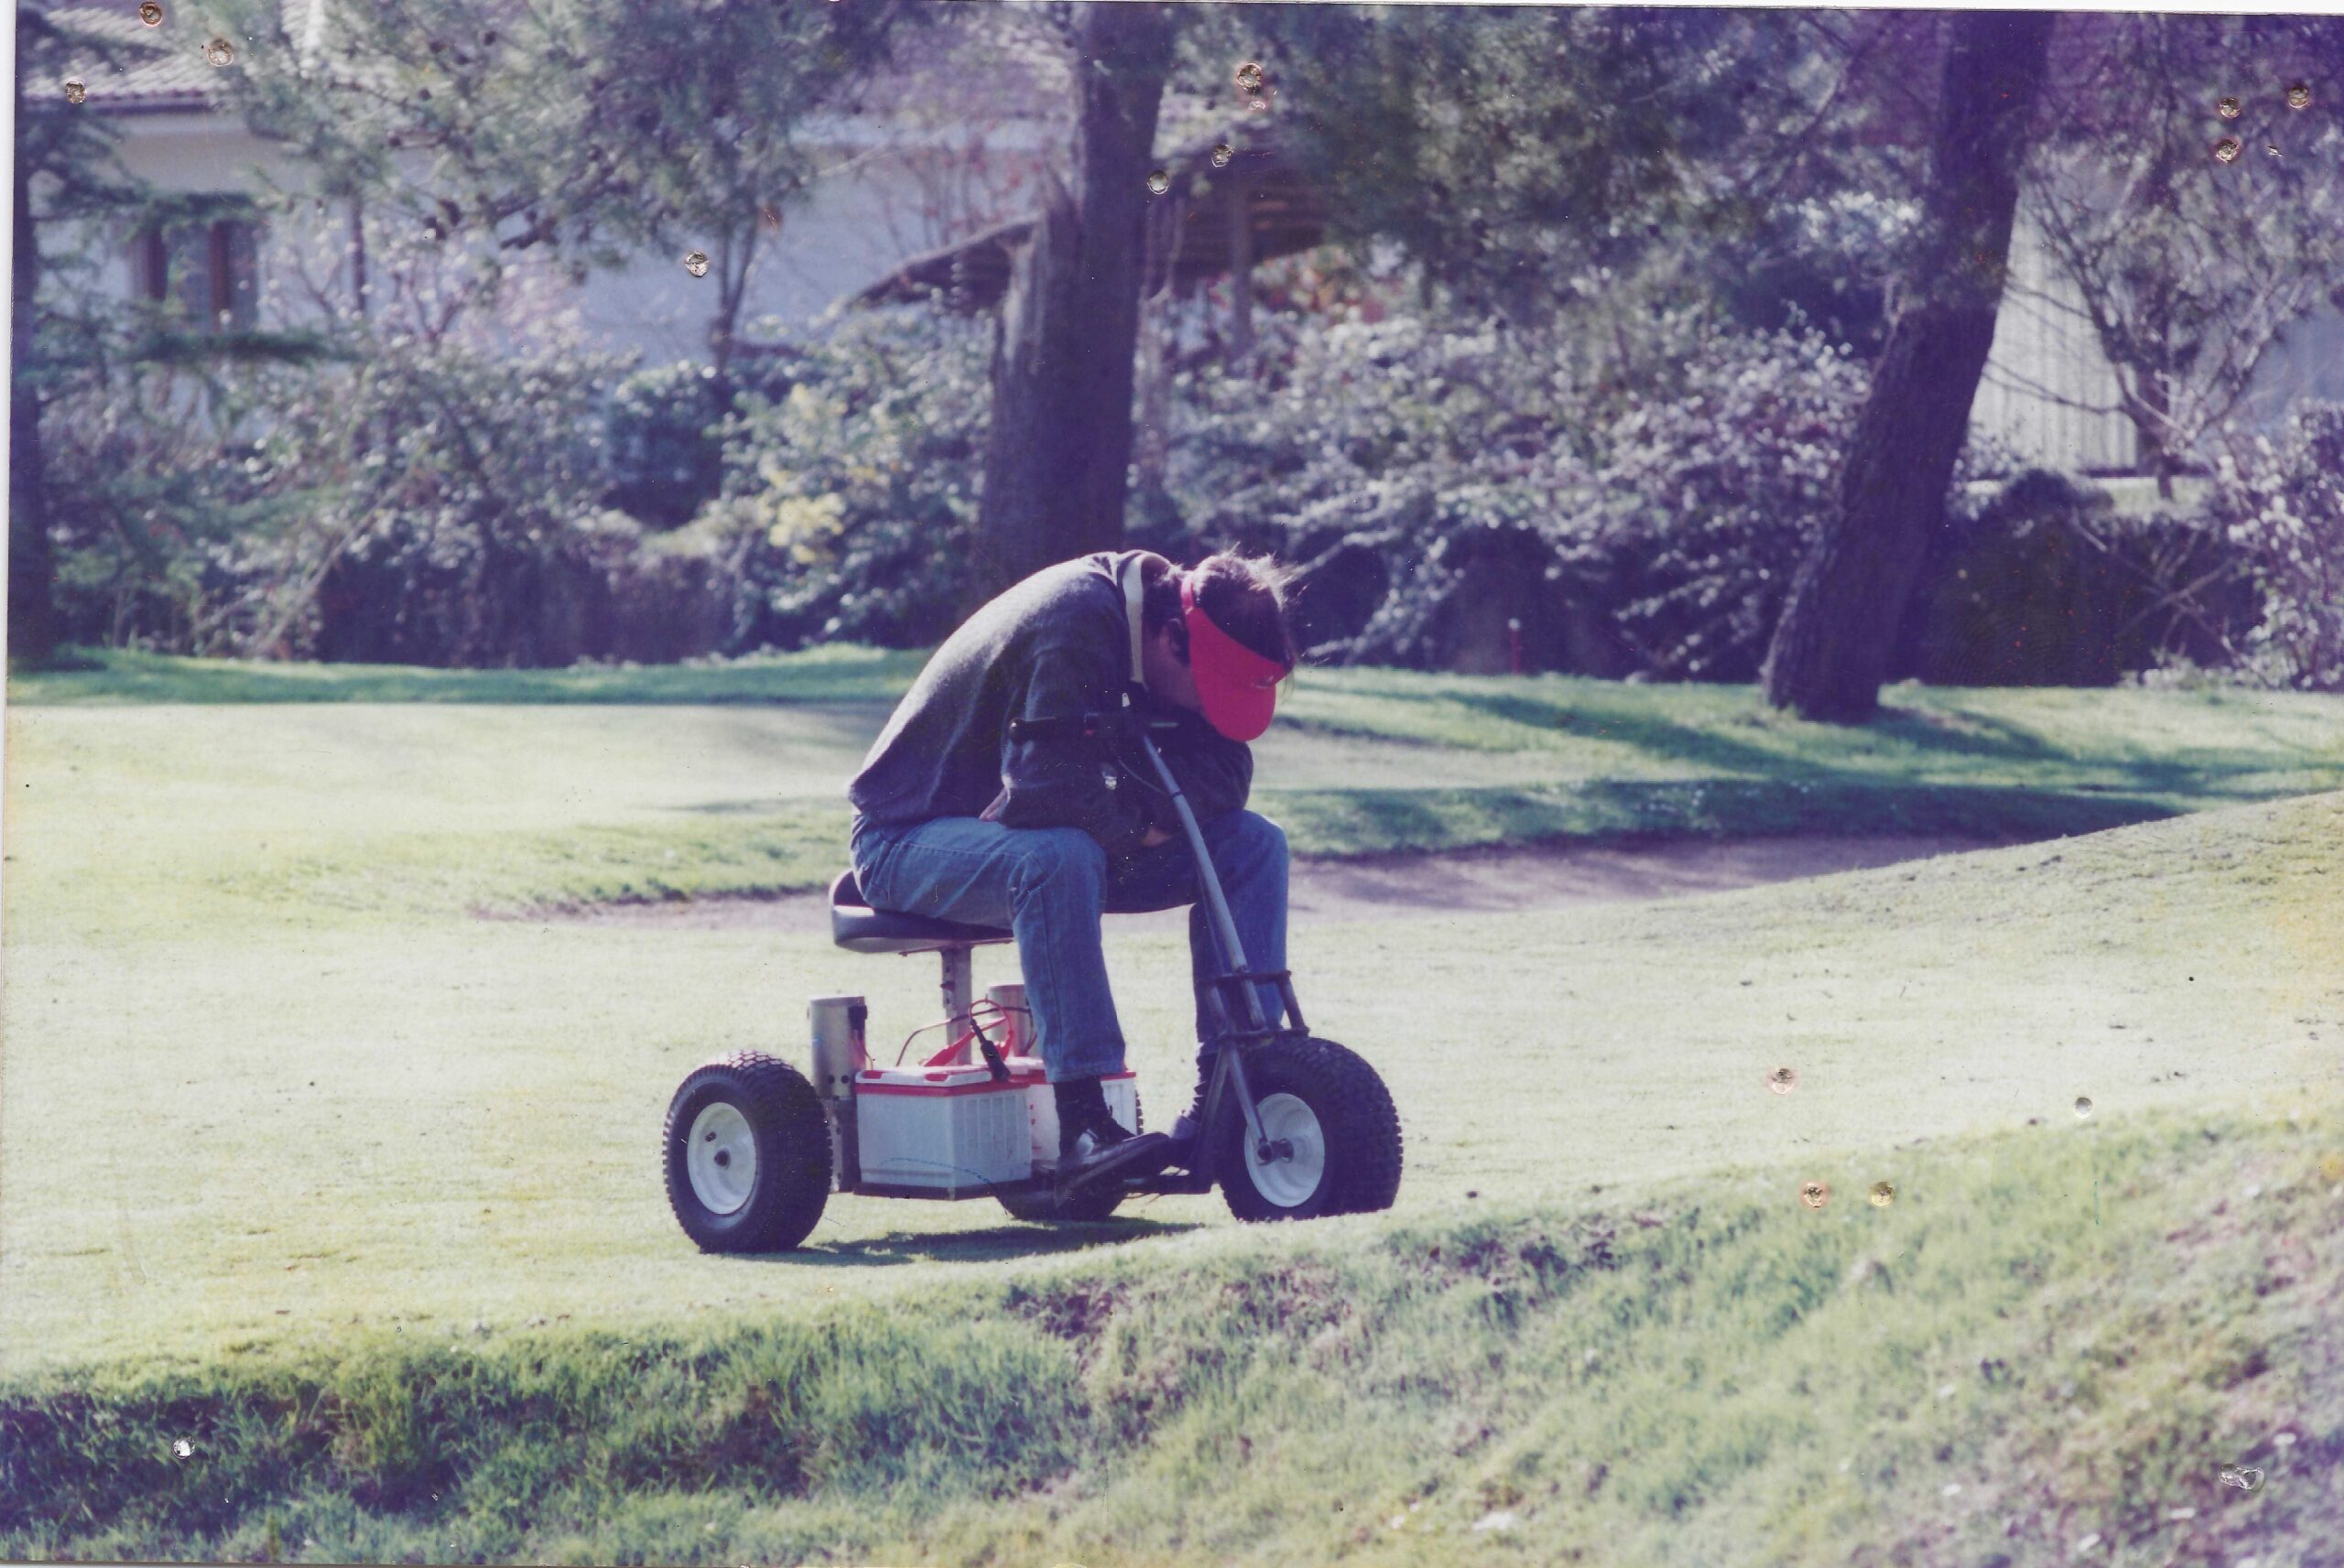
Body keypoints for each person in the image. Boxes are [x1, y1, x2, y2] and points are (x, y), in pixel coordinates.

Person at [846, 549, 1298, 1190]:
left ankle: (1236, 1089)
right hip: (906, 837)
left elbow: (1228, 775)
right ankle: (1085, 1122)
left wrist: (1130, 813)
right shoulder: (1077, 619)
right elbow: (1044, 791)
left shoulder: (1182, 630)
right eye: (1210, 695)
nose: (1209, 713)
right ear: (1173, 641)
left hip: (1038, 839)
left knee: (1252, 845)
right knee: (1062, 854)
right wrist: (1144, 825)